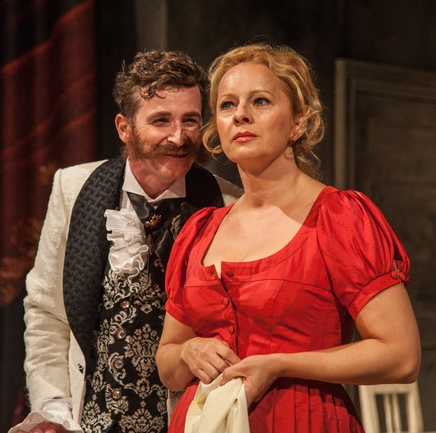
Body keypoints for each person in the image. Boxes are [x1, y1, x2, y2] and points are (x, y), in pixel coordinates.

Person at [155, 42, 422, 432]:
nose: (240, 114)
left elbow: (401, 357)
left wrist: (280, 364)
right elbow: (168, 365)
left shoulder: (338, 217)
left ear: (298, 122)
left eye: (260, 101)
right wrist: (189, 352)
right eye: (227, 105)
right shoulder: (200, 231)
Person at [9, 50, 242, 433]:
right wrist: (54, 408)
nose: (178, 137)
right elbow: (47, 313)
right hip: (90, 419)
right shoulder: (73, 188)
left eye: (190, 120)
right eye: (161, 120)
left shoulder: (228, 204)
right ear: (124, 127)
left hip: (183, 420)